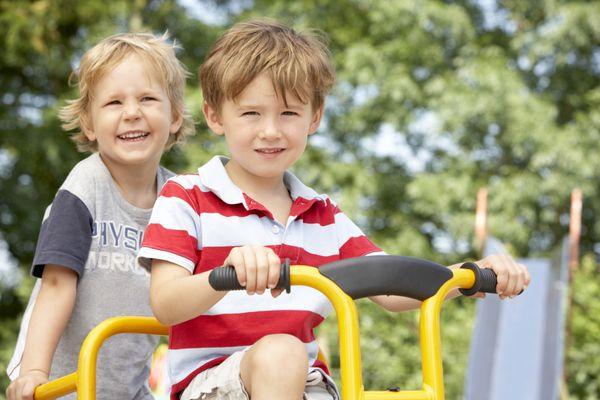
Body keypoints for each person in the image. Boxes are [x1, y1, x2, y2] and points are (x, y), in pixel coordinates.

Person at [138, 19, 530, 400]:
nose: (271, 130)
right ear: (215, 116)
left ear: (315, 117)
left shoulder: (323, 215)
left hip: (308, 386)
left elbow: (393, 287)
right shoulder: (187, 196)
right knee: (283, 353)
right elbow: (165, 304)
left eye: (289, 113)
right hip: (213, 385)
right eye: (251, 113)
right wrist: (225, 276)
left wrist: (470, 273)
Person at [6, 32, 194, 400]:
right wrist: (34, 372)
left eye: (148, 99)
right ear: (89, 124)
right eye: (113, 102)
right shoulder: (85, 186)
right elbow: (57, 284)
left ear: (175, 115)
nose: (132, 112)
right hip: (62, 379)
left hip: (128, 386)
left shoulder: (183, 199)